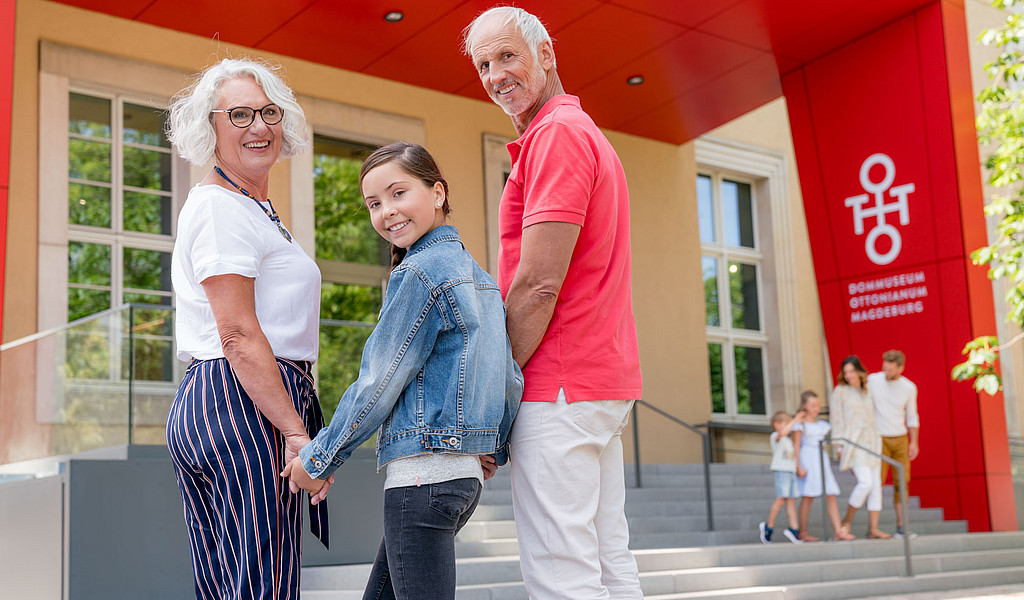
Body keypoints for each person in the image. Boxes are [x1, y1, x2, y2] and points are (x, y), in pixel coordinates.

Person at [280, 142, 523, 600]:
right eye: (374, 203)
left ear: (437, 192)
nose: (386, 211)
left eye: (398, 193)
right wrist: (491, 447)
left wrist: (320, 457)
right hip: (459, 480)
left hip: (423, 480)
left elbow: (379, 380)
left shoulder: (421, 272)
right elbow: (508, 375)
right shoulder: (479, 277)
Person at [462, 6, 645, 599]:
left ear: (547, 54)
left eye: (507, 56)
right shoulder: (576, 132)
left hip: (559, 384)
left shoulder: (558, 136)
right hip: (596, 383)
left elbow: (538, 285)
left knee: (560, 572)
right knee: (607, 560)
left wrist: (494, 393)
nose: (495, 75)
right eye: (483, 64)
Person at [164, 58, 332, 600]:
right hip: (244, 404)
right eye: (238, 115)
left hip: (224, 400)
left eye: (267, 112)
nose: (258, 126)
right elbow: (236, 332)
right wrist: (294, 431)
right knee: (264, 587)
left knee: (229, 589)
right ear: (207, 127)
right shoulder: (220, 209)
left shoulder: (247, 207)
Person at [831, 355, 890, 539]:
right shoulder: (840, 391)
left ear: (858, 371)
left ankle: (873, 528)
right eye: (845, 372)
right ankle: (846, 521)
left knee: (876, 486)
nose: (848, 375)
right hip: (853, 442)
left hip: (872, 440)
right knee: (865, 483)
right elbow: (836, 418)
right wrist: (839, 445)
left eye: (851, 371)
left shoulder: (868, 389)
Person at [867, 349, 920, 538]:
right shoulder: (873, 380)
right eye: (885, 368)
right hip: (878, 438)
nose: (886, 372)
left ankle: (901, 527)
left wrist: (914, 442)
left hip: (900, 438)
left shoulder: (908, 387)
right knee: (876, 483)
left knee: (902, 483)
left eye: (890, 370)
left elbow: (912, 416)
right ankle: (873, 528)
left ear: (901, 368)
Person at [793, 390, 853, 541]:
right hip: (808, 459)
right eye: (813, 405)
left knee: (830, 494)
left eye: (818, 405)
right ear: (805, 406)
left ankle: (838, 530)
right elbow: (796, 445)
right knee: (808, 496)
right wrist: (798, 465)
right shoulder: (800, 425)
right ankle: (803, 532)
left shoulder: (822, 425)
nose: (816, 409)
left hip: (822, 460)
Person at [759, 410, 805, 544]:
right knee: (781, 499)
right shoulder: (776, 436)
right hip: (782, 471)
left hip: (790, 472)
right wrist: (795, 419)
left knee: (791, 501)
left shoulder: (788, 441)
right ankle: (768, 527)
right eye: (785, 424)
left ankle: (794, 529)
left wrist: (798, 468)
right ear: (776, 425)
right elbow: (783, 433)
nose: (788, 426)